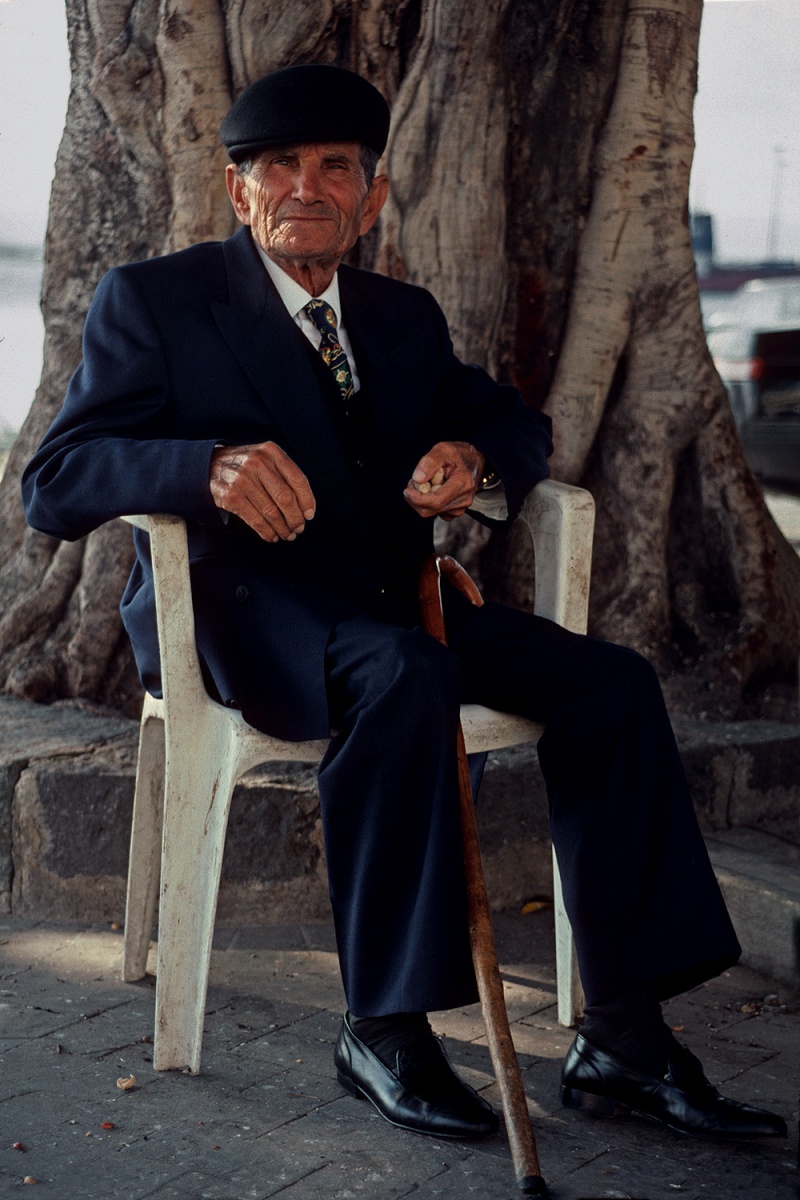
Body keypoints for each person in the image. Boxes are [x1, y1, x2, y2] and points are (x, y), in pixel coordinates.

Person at [22, 64, 786, 1144]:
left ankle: (621, 1035)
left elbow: (514, 426)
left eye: (335, 167)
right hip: (245, 615)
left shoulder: (399, 318)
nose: (306, 186)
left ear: (370, 199)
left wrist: (468, 456)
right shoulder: (158, 302)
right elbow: (54, 481)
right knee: (404, 675)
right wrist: (202, 469)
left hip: (395, 603)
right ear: (238, 192)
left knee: (609, 684)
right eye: (277, 166)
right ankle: (382, 1028)